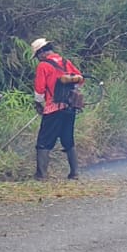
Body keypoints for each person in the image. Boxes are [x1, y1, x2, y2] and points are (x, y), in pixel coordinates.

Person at [30, 37, 84, 180]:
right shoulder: (65, 62)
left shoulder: (43, 66)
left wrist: (39, 104)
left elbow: (40, 90)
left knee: (44, 140)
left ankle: (41, 175)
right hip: (70, 107)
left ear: (41, 52)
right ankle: (75, 173)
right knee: (68, 139)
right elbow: (80, 79)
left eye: (37, 55)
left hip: (53, 109)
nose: (37, 58)